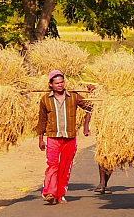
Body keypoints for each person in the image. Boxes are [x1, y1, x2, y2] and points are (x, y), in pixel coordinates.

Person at [35, 70, 93, 204]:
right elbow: (42, 120)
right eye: (57, 83)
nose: (60, 85)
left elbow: (90, 107)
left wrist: (91, 94)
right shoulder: (45, 99)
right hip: (53, 136)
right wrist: (40, 139)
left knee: (65, 166)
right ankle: (49, 192)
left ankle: (60, 195)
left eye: (62, 82)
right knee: (53, 165)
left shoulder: (73, 96)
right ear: (51, 85)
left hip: (70, 137)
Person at [81, 109, 114, 195]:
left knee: (113, 157)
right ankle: (102, 182)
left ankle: (104, 184)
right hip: (103, 128)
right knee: (102, 154)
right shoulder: (102, 96)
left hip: (119, 128)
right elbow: (90, 108)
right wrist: (86, 126)